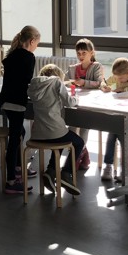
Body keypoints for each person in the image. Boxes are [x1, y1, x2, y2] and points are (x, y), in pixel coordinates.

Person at [0, 25, 40, 194]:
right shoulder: (29, 57)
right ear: (32, 41)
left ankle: (17, 168)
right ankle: (11, 181)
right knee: (14, 139)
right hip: (16, 102)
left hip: (6, 100)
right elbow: (27, 80)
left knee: (20, 131)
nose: (36, 47)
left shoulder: (12, 55)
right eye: (37, 43)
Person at [28, 64, 83, 196]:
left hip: (37, 135)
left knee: (59, 138)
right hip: (54, 132)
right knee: (78, 142)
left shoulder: (33, 85)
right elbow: (69, 102)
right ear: (58, 76)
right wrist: (77, 98)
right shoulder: (57, 82)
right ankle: (66, 173)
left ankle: (51, 171)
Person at [69, 38, 103, 171]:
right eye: (78, 53)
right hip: (75, 103)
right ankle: (81, 154)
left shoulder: (96, 66)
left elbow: (99, 83)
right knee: (72, 129)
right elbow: (66, 82)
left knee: (84, 129)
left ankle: (76, 157)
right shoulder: (73, 68)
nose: (81, 56)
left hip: (89, 104)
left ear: (91, 53)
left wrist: (84, 83)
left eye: (84, 53)